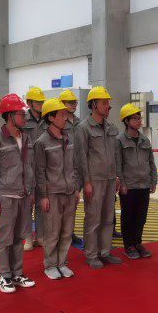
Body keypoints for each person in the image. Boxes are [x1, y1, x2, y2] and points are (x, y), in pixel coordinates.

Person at [0, 94, 37, 293]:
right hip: (6, 197)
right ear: (9, 116)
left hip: (24, 195)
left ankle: (17, 273)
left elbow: (30, 166)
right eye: (20, 114)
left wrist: (31, 191)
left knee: (19, 237)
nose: (24, 117)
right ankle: (4, 276)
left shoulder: (26, 138)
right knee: (4, 238)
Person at [75, 86, 121, 268]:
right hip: (94, 180)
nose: (108, 106)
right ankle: (91, 254)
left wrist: (116, 176)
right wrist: (86, 181)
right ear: (93, 104)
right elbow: (81, 158)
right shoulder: (83, 128)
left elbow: (115, 155)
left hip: (110, 179)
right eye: (104, 102)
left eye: (108, 102)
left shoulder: (111, 128)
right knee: (93, 218)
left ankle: (105, 252)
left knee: (108, 218)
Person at [34, 98, 80, 279]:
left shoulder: (69, 138)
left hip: (69, 192)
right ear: (50, 117)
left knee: (67, 231)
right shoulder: (42, 142)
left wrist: (76, 189)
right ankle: (50, 265)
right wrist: (43, 196)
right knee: (52, 232)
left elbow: (75, 166)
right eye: (61, 114)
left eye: (65, 114)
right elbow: (39, 171)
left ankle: (62, 263)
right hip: (52, 193)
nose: (65, 117)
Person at [115, 104, 157, 259]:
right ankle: (129, 245)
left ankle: (137, 242)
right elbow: (118, 164)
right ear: (126, 121)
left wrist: (153, 180)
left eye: (139, 118)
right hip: (129, 186)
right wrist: (122, 184)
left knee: (141, 217)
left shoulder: (145, 140)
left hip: (144, 184)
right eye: (135, 118)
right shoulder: (119, 140)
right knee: (128, 217)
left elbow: (151, 162)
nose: (139, 121)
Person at [23, 86, 47, 250]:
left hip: (43, 167)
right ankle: (27, 238)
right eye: (38, 102)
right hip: (27, 166)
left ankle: (40, 236)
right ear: (30, 103)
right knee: (27, 205)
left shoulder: (47, 119)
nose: (41, 104)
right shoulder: (23, 120)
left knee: (41, 203)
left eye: (42, 102)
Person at [59, 88, 83, 246]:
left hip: (77, 167)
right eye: (70, 102)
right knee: (61, 204)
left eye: (75, 102)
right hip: (63, 167)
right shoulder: (58, 123)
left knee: (73, 203)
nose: (74, 105)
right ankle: (60, 233)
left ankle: (70, 232)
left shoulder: (80, 123)